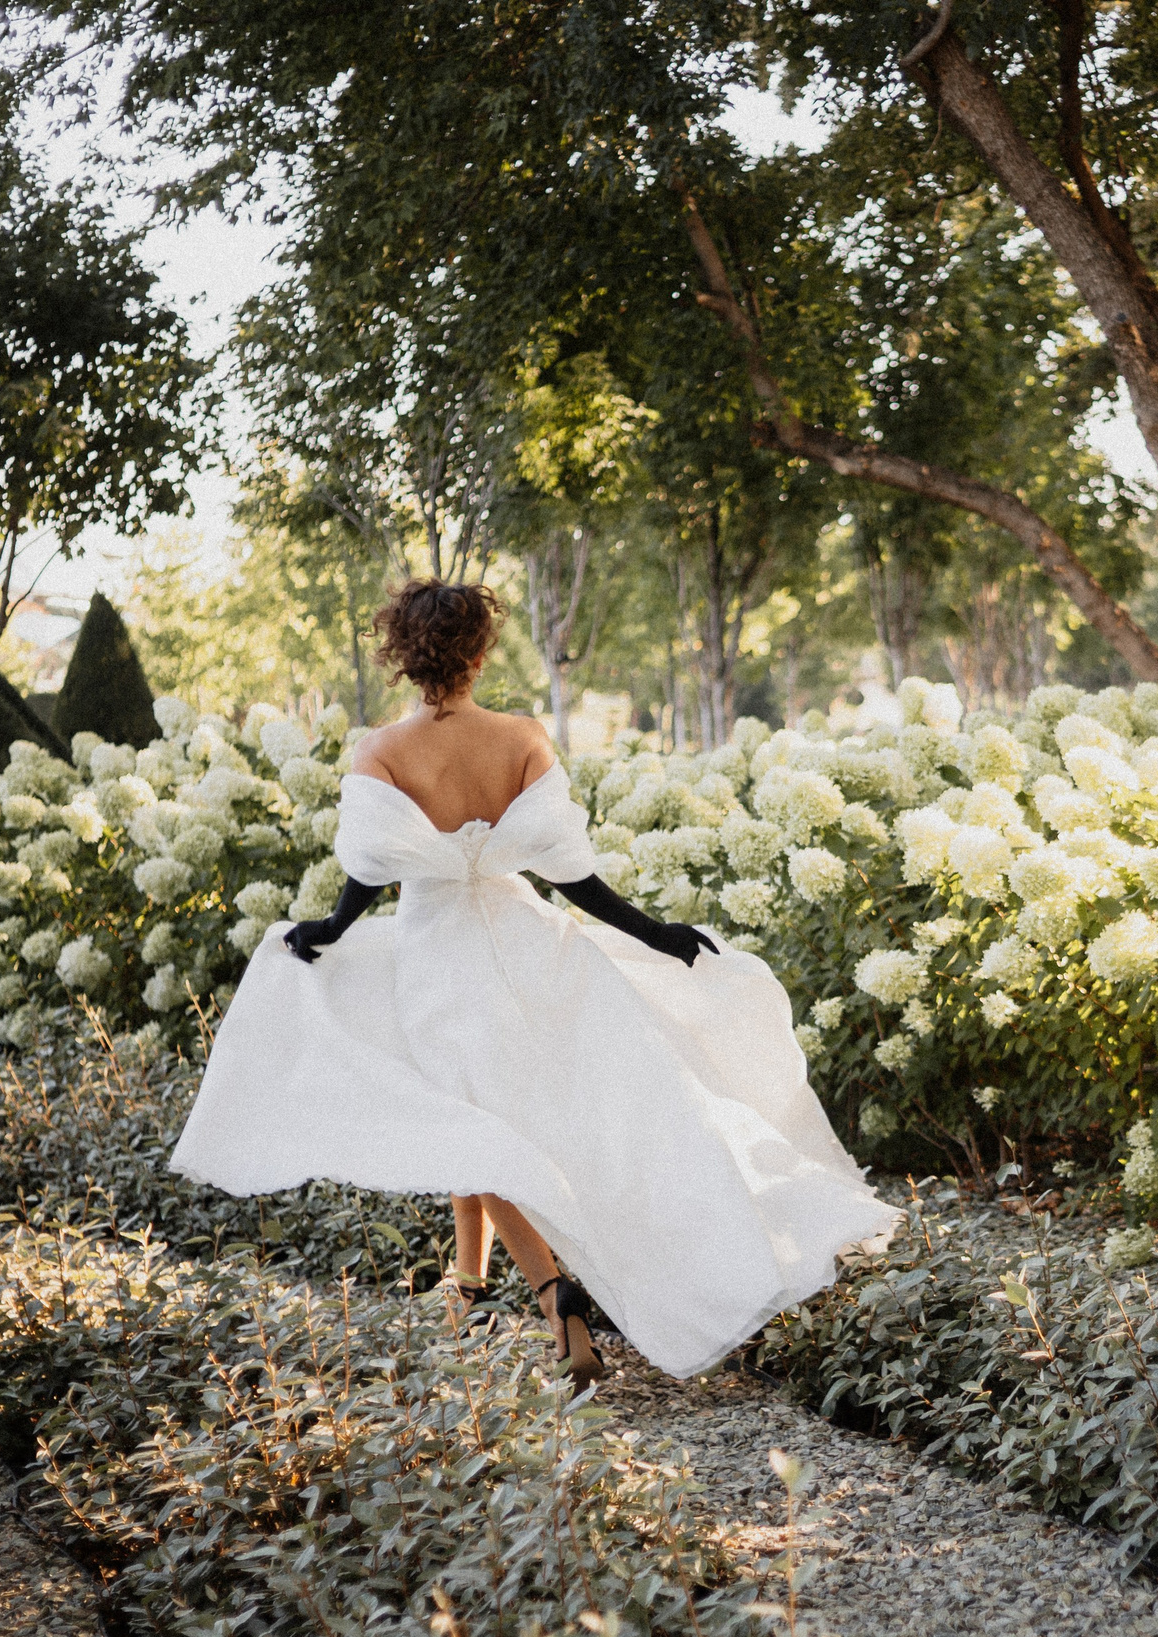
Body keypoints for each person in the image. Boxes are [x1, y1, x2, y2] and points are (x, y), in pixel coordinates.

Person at [170, 580, 899, 1390]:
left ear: (402, 657)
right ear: (481, 652)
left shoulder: (381, 751)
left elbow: (369, 874)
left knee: (472, 1117)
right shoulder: (520, 736)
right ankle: (471, 1277)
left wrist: (327, 932)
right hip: (528, 941)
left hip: (437, 956)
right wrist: (657, 933)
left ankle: (558, 1297)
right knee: (484, 1116)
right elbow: (572, 874)